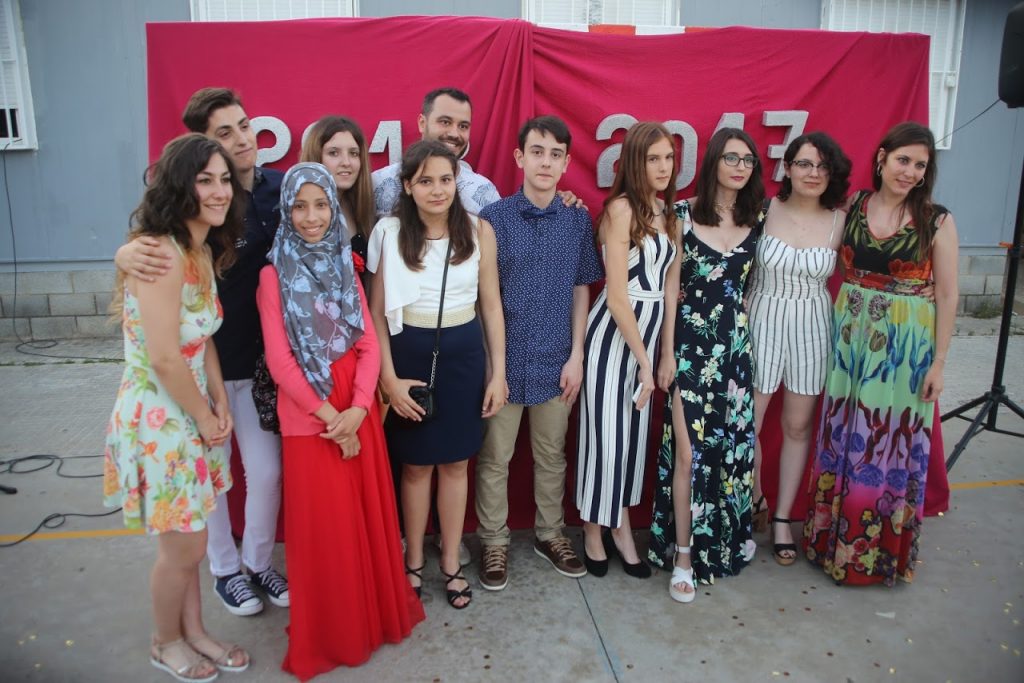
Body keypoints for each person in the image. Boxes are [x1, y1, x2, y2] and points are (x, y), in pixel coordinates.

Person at [115, 88, 288, 617]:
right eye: (224, 134)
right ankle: (224, 570)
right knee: (206, 483)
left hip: (258, 366)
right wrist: (125, 253)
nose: (242, 140)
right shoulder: (187, 222)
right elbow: (151, 247)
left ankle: (258, 562)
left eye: (244, 126)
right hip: (193, 374)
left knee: (265, 473)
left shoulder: (279, 188)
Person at [256, 163, 424, 679]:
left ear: (334, 208)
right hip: (312, 419)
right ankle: (335, 633)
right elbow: (280, 361)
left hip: (357, 409)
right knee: (327, 532)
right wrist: (333, 418)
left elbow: (369, 342)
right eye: (300, 206)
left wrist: (358, 408)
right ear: (286, 210)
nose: (311, 217)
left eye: (321, 205)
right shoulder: (272, 276)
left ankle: (373, 620)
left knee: (364, 523)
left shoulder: (345, 263)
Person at [103, 133, 249, 681]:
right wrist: (206, 416)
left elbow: (201, 337)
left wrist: (217, 396)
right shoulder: (161, 254)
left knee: (193, 539)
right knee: (183, 548)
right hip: (160, 419)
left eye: (224, 180)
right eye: (204, 180)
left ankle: (195, 633)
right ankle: (165, 643)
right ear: (179, 186)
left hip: (189, 412)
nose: (218, 191)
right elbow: (164, 357)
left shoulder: (199, 251)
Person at [803, 121, 959, 586]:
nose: (909, 172)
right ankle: (830, 543)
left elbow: (947, 294)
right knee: (843, 436)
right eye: (902, 160)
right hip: (850, 341)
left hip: (904, 351)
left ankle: (875, 556)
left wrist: (939, 363)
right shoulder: (854, 206)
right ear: (882, 158)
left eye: (920, 165)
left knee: (887, 444)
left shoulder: (937, 221)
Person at [367, 140, 507, 609]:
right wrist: (388, 380)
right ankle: (413, 560)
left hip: (464, 356)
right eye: (425, 180)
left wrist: (498, 373)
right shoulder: (388, 232)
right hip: (408, 356)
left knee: (455, 463)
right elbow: (376, 313)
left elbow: (491, 306)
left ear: (457, 182)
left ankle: (450, 560)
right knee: (415, 466)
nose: (437, 189)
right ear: (408, 186)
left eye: (445, 179)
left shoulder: (480, 230)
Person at [474, 116, 604, 590]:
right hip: (504, 363)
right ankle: (493, 541)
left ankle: (550, 534)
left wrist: (577, 355)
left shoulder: (577, 219)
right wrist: (495, 368)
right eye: (537, 152)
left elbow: (581, 288)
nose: (545, 162)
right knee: (495, 458)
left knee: (552, 455)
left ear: (567, 163)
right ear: (520, 157)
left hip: (556, 361)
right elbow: (485, 299)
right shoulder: (493, 220)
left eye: (555, 154)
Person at [649, 127, 765, 600]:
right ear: (713, 160)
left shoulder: (759, 218)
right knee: (688, 454)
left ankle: (722, 543)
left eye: (749, 160)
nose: (740, 167)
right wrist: (666, 354)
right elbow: (668, 288)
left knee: (729, 452)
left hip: (735, 353)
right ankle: (683, 556)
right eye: (731, 157)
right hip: (689, 350)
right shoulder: (680, 214)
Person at [575, 122, 678, 580]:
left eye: (669, 158)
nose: (663, 167)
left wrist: (664, 353)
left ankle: (620, 526)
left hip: (648, 340)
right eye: (653, 158)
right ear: (636, 162)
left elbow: (670, 290)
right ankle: (592, 530)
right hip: (613, 339)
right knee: (606, 439)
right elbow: (617, 296)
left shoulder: (668, 212)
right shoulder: (620, 210)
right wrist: (644, 361)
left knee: (632, 441)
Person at [747, 132, 851, 565]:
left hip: (813, 323)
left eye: (823, 166)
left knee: (796, 427)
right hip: (761, 315)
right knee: (747, 422)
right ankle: (752, 498)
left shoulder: (841, 220)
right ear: (787, 168)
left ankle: (783, 518)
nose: (813, 173)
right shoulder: (762, 208)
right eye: (805, 164)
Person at [372, 87, 501, 218]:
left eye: (463, 126)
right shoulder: (378, 183)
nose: (454, 134)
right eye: (445, 122)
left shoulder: (485, 191)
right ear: (422, 123)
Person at [300, 116, 374, 261]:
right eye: (333, 153)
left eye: (353, 153)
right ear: (316, 156)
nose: (346, 162)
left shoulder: (359, 205)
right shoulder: (300, 212)